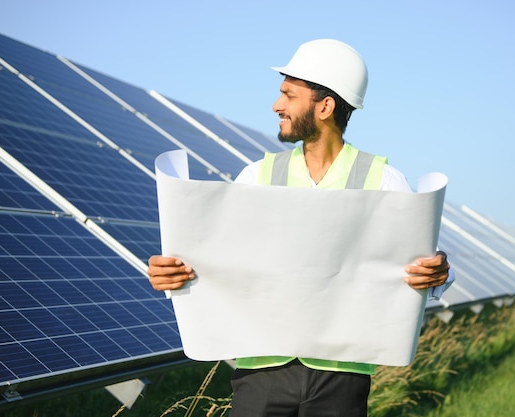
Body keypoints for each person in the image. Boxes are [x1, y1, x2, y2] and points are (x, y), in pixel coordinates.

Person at [148, 39, 453, 417]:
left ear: (324, 106)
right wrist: (174, 275)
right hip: (262, 370)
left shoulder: (384, 180)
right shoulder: (256, 177)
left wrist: (436, 273)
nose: (277, 105)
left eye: (289, 95)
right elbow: (217, 262)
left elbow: (415, 270)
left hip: (341, 374)